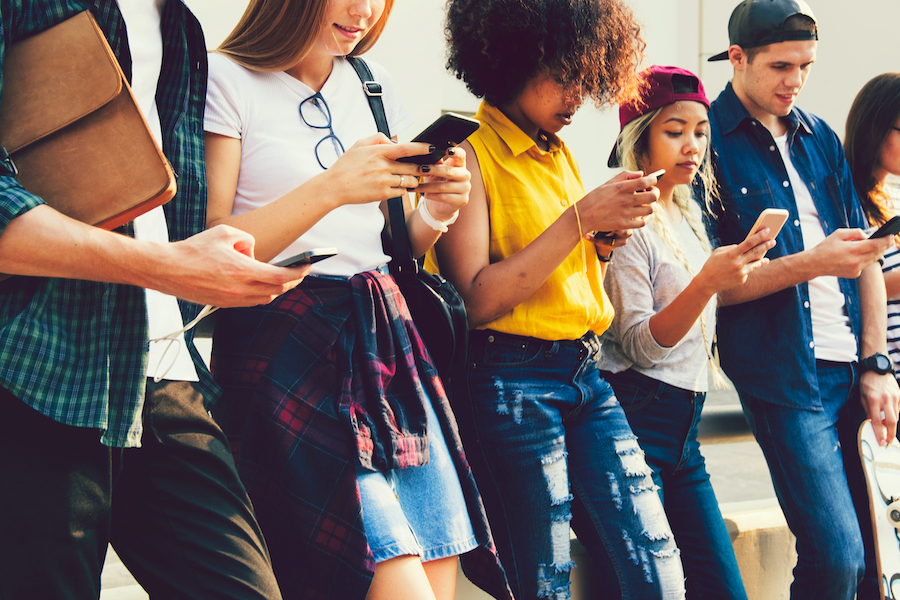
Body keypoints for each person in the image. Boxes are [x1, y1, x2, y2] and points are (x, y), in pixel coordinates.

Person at [0, 1, 312, 599]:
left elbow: (172, 216)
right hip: (34, 372)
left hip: (163, 375)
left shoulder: (182, 28)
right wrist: (169, 269)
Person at [202, 1, 511, 600]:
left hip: (384, 343)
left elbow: (390, 244)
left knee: (435, 564)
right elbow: (214, 244)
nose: (364, 11)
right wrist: (333, 187)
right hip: (285, 344)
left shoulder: (372, 85)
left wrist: (436, 214)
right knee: (382, 573)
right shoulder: (226, 78)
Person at [435, 1, 688, 598]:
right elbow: (473, 299)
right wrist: (581, 219)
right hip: (508, 379)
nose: (578, 95)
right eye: (564, 74)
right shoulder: (466, 155)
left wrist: (600, 244)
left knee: (658, 567)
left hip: (585, 371)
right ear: (509, 59)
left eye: (589, 75)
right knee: (543, 580)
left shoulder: (558, 151)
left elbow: (569, 282)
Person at [706, 1, 900, 598]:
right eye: (781, 65)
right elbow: (709, 285)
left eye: (807, 67)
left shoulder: (820, 138)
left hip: (851, 369)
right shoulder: (706, 139)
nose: (795, 81)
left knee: (878, 559)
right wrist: (811, 264)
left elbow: (862, 256)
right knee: (836, 558)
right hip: (783, 377)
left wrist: (876, 363)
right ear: (737, 59)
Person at [599, 64, 775, 599]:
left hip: (685, 431)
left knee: (724, 589)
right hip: (636, 419)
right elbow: (640, 345)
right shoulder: (626, 216)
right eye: (674, 131)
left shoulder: (685, 210)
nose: (691, 145)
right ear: (639, 136)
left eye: (700, 132)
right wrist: (707, 281)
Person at [845, 73, 900, 370]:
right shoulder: (846, 198)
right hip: (882, 372)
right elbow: (850, 287)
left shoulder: (887, 197)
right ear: (875, 128)